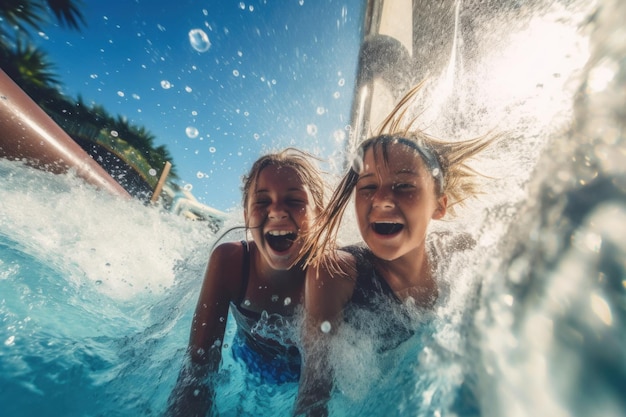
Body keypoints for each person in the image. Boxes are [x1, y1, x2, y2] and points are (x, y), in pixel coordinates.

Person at [292, 83, 500, 417]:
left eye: (404, 186)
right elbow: (314, 395)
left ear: (439, 205)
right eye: (368, 187)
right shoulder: (335, 274)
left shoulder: (459, 255)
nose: (383, 199)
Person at [166, 148, 326, 417]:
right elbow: (197, 369)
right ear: (246, 215)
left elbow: (318, 393)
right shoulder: (230, 262)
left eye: (295, 200)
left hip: (300, 377)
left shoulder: (329, 275)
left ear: (319, 215)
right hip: (246, 360)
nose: (276, 211)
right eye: (262, 202)